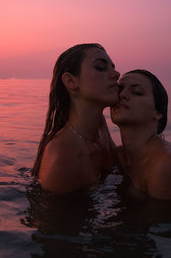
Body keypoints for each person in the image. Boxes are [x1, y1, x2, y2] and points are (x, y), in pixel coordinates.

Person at [32, 43, 120, 194]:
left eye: (113, 67)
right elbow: (50, 216)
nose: (116, 74)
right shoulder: (61, 155)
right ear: (71, 81)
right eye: (100, 67)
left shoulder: (99, 127)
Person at [111, 69, 171, 200]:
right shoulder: (117, 156)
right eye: (119, 90)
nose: (122, 95)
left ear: (158, 113)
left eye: (137, 92)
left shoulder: (165, 164)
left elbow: (164, 219)